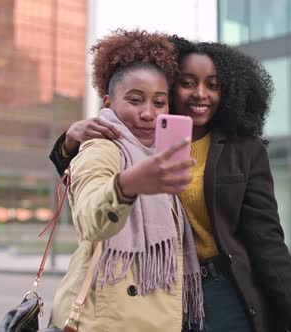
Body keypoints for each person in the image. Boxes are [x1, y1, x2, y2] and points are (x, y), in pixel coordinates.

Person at [50, 36, 291, 332]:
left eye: (214, 85)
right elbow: (92, 183)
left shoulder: (244, 151)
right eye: (188, 82)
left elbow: (266, 237)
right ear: (171, 86)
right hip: (153, 290)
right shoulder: (135, 139)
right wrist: (69, 140)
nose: (201, 94)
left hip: (222, 290)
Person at [49, 29, 203, 331]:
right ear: (108, 103)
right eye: (135, 100)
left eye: (159, 103)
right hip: (104, 320)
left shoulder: (158, 154)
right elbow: (91, 218)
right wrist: (126, 185)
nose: (148, 113)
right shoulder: (101, 147)